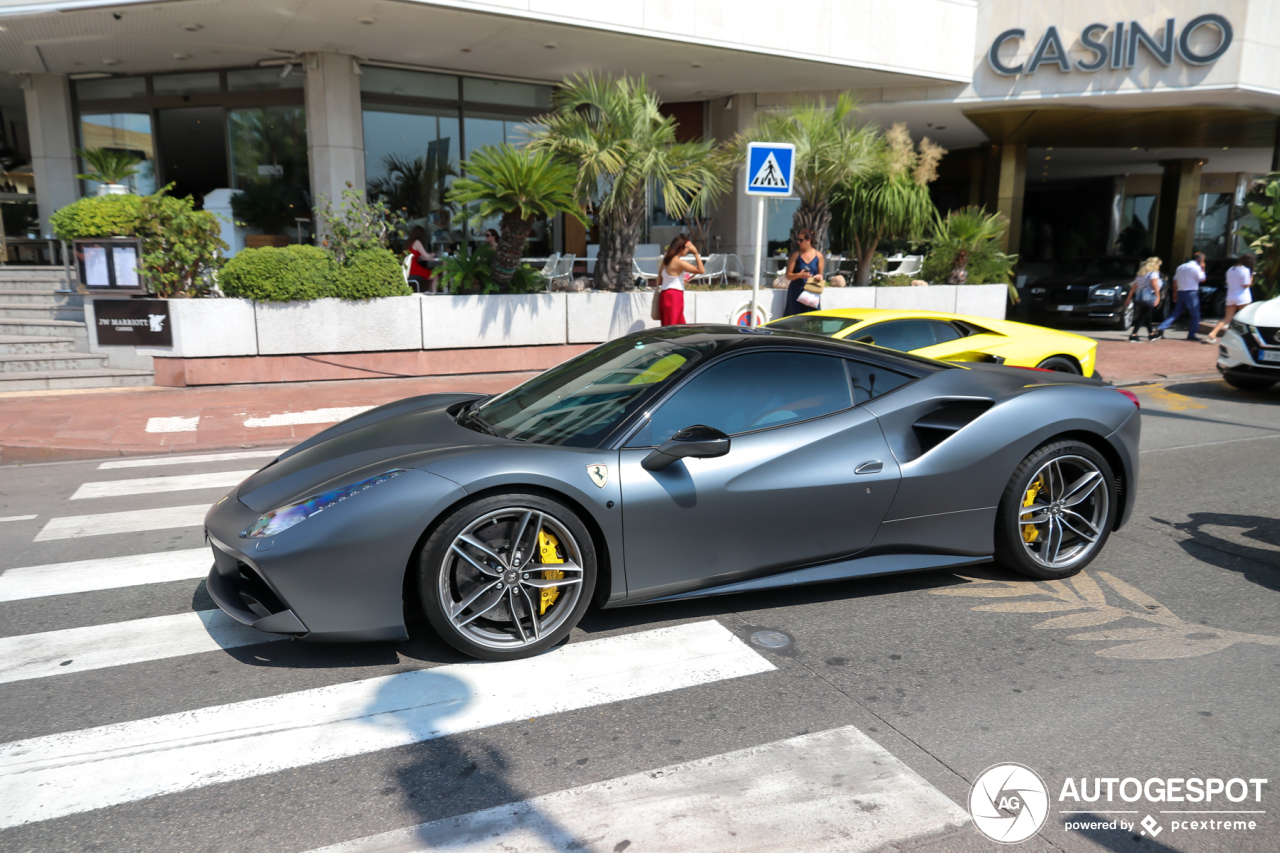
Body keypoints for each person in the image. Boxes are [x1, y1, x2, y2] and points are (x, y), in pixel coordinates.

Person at [1154, 252, 1206, 341]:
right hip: (1191, 293)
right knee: (1195, 315)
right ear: (1199, 260)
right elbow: (1202, 279)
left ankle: (1161, 327)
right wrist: (1203, 268)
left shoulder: (1181, 267)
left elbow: (1175, 280)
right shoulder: (1196, 267)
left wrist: (1175, 292)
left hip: (1181, 292)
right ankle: (1191, 334)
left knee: (1176, 312)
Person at [1206, 254, 1255, 344]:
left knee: (1227, 319)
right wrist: (1251, 278)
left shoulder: (1230, 270)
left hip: (1231, 297)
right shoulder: (1245, 270)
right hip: (1242, 298)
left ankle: (1213, 333)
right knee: (1244, 319)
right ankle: (1244, 339)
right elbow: (1246, 285)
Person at [657, 234, 703, 326]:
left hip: (664, 295)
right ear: (681, 248)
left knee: (668, 326)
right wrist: (696, 253)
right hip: (675, 296)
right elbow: (701, 270)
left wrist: (679, 279)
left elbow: (661, 280)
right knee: (675, 329)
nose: (687, 251)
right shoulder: (679, 262)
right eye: (687, 248)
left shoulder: (666, 261)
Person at [783, 229, 824, 317]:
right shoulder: (796, 255)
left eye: (801, 240)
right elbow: (788, 275)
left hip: (811, 292)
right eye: (798, 240)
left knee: (812, 318)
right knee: (794, 317)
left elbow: (821, 275)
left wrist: (818, 277)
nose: (798, 242)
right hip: (796, 291)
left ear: (808, 240)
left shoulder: (818, 256)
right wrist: (799, 275)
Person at [1123, 256, 1162, 342]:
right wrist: (1158, 297)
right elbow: (1155, 286)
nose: (1159, 267)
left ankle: (1151, 334)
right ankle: (1134, 334)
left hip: (1140, 297)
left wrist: (1129, 298)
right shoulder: (1153, 274)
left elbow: (1134, 286)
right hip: (1149, 297)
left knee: (1147, 315)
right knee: (1143, 315)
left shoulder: (1141, 273)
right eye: (1159, 265)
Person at [404, 225, 436, 293]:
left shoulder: (409, 242)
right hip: (413, 268)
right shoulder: (417, 242)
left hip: (408, 268)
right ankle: (434, 295)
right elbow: (426, 256)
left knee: (432, 276)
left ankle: (431, 294)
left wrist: (428, 255)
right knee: (435, 275)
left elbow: (420, 255)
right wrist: (433, 255)